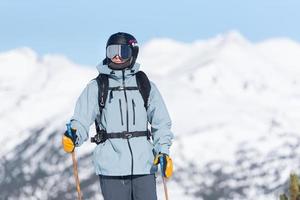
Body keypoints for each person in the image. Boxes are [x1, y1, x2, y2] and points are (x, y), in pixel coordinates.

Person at [62, 32, 174, 200]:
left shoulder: (145, 85)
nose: (116, 56)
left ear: (133, 53)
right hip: (111, 167)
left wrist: (163, 151)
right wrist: (74, 134)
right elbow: (81, 118)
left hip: (144, 166)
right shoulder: (98, 86)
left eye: (123, 52)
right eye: (112, 51)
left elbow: (161, 122)